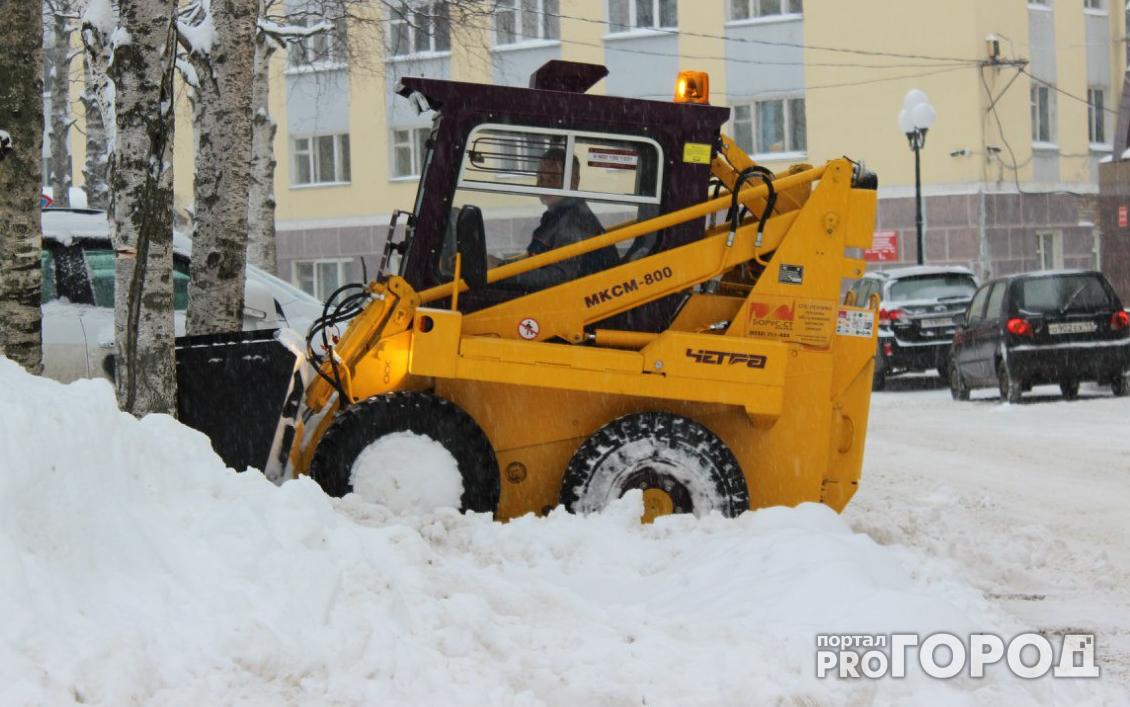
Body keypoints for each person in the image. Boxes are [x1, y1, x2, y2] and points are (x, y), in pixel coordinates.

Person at [501, 147, 620, 290]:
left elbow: (561, 278)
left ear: (573, 181)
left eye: (552, 179)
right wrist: (501, 267)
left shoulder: (575, 221)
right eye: (540, 178)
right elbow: (535, 261)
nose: (543, 185)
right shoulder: (558, 214)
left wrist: (504, 275)